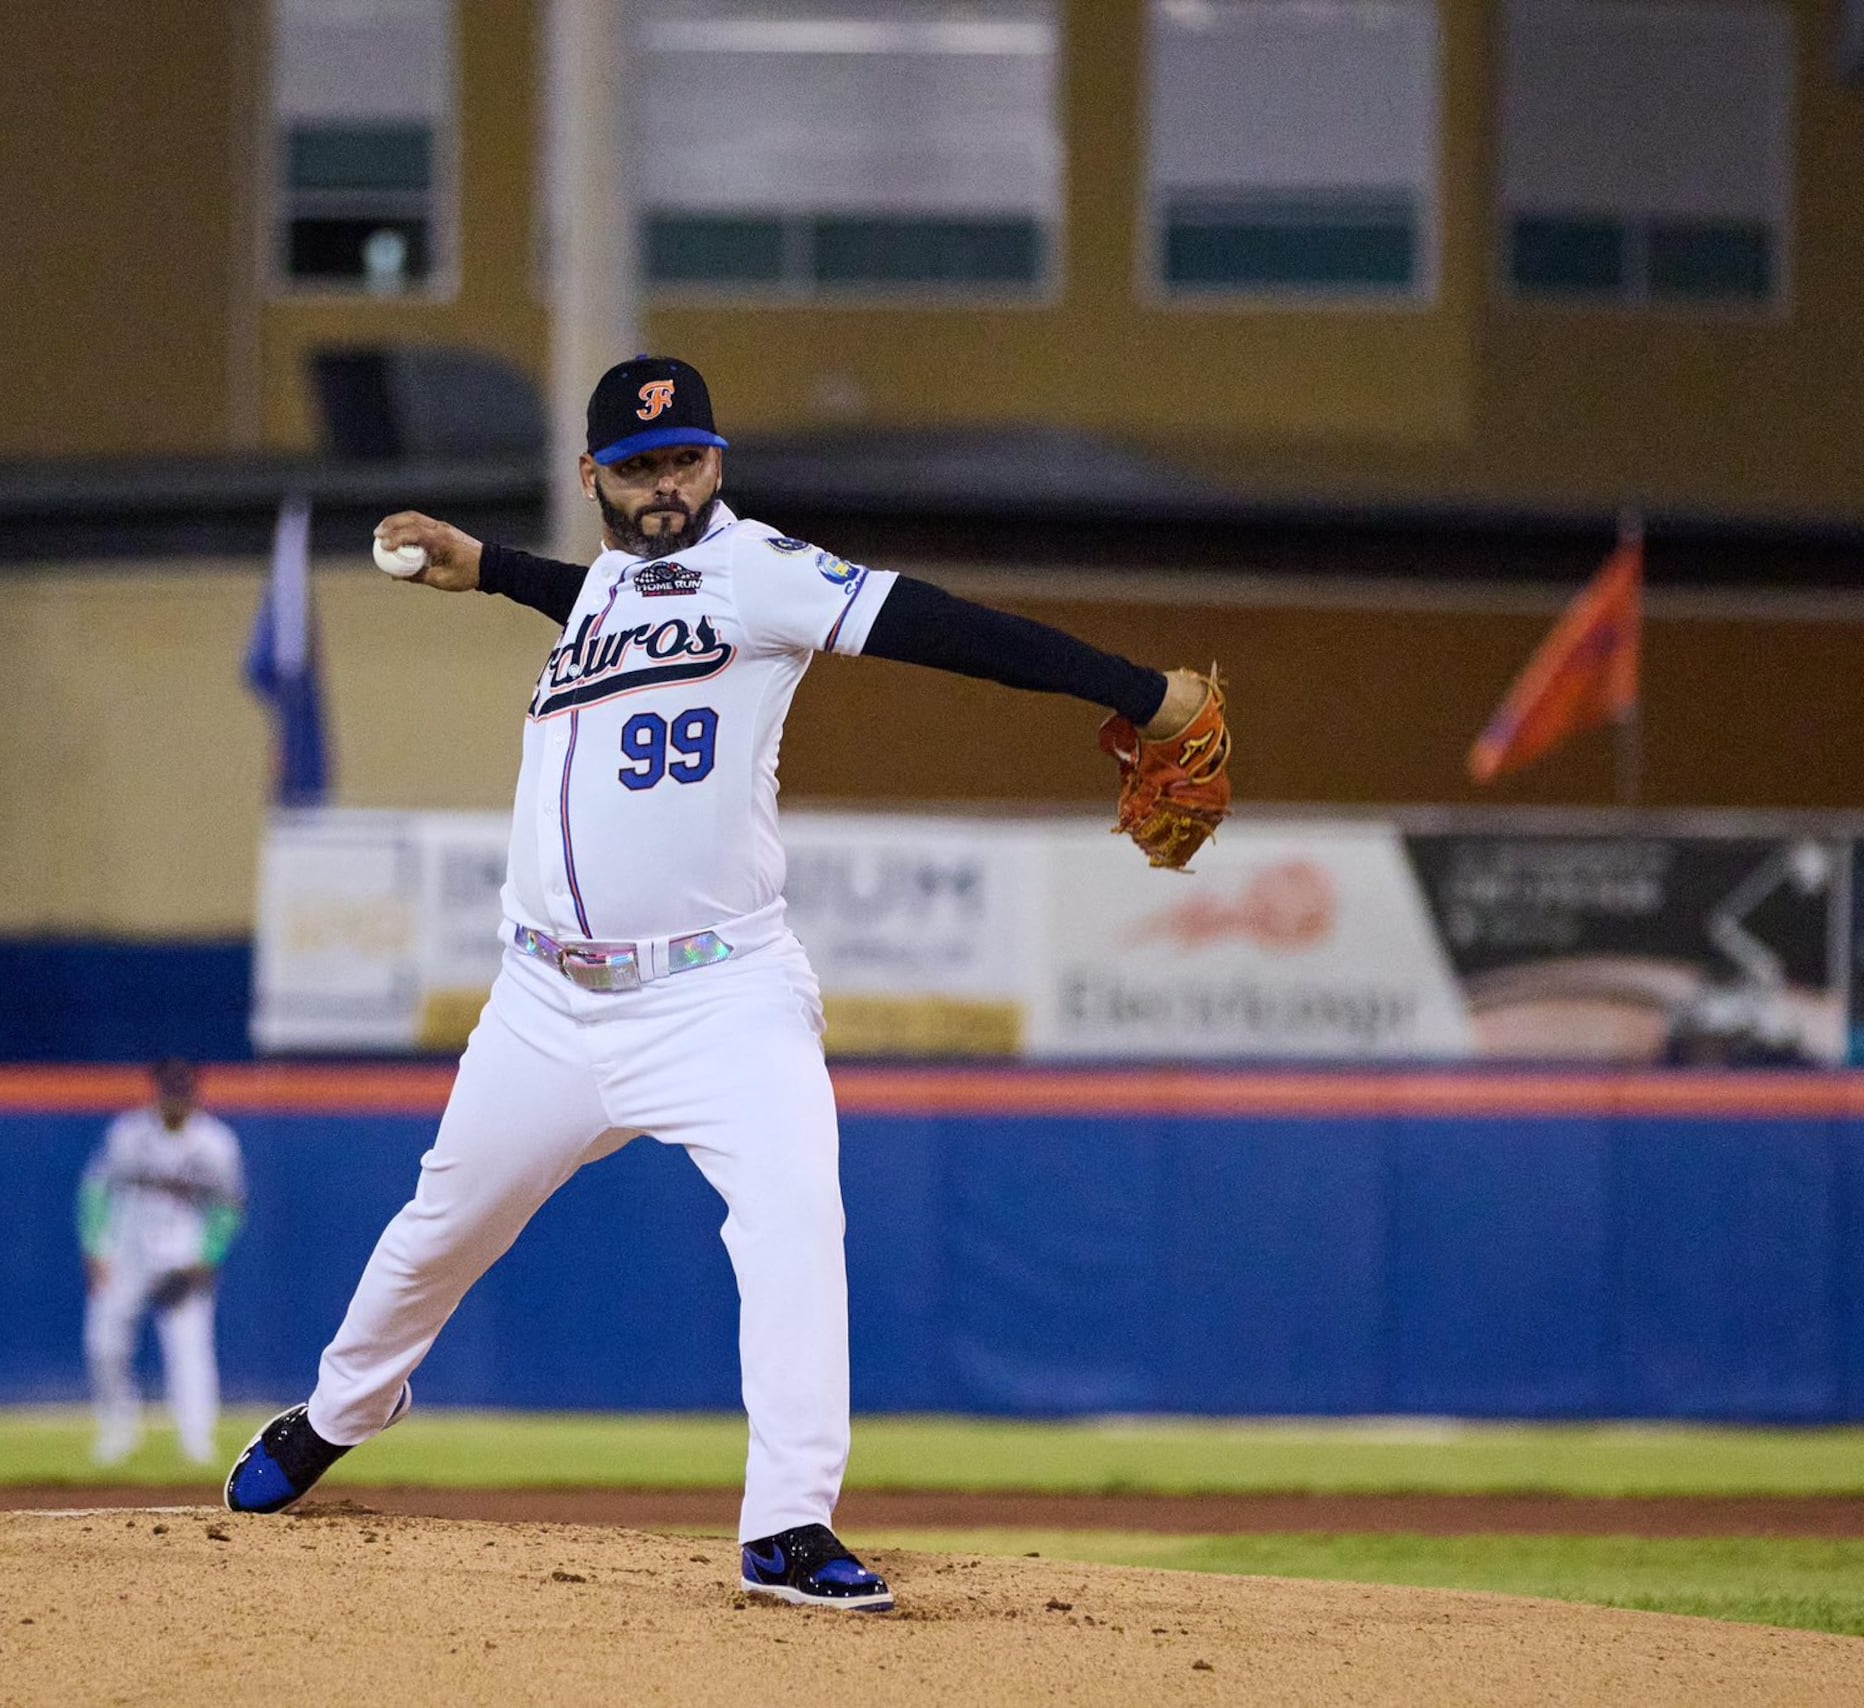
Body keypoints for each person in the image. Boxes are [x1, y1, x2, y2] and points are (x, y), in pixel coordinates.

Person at [224, 355, 1223, 1612]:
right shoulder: (601, 592)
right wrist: (487, 567)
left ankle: (788, 1524)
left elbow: (940, 625)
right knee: (434, 1237)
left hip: (720, 997)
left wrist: (1142, 692)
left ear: (717, 460)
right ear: (593, 475)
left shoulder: (759, 569)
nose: (666, 486)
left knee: (796, 1223)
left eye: (686, 459)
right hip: (544, 1006)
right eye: (638, 467)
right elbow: (593, 591)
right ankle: (335, 1414)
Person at [80, 1059, 245, 1468]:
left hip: (182, 1257)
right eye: (169, 1091)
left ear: (194, 1093)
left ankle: (196, 1441)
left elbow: (230, 1207)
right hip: (127, 1253)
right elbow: (96, 1189)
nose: (175, 1100)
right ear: (156, 1091)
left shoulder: (215, 1142)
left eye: (182, 1091)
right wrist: (96, 1249)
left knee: (190, 1352)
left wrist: (206, 1260)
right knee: (104, 1344)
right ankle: (118, 1432)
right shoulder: (129, 1133)